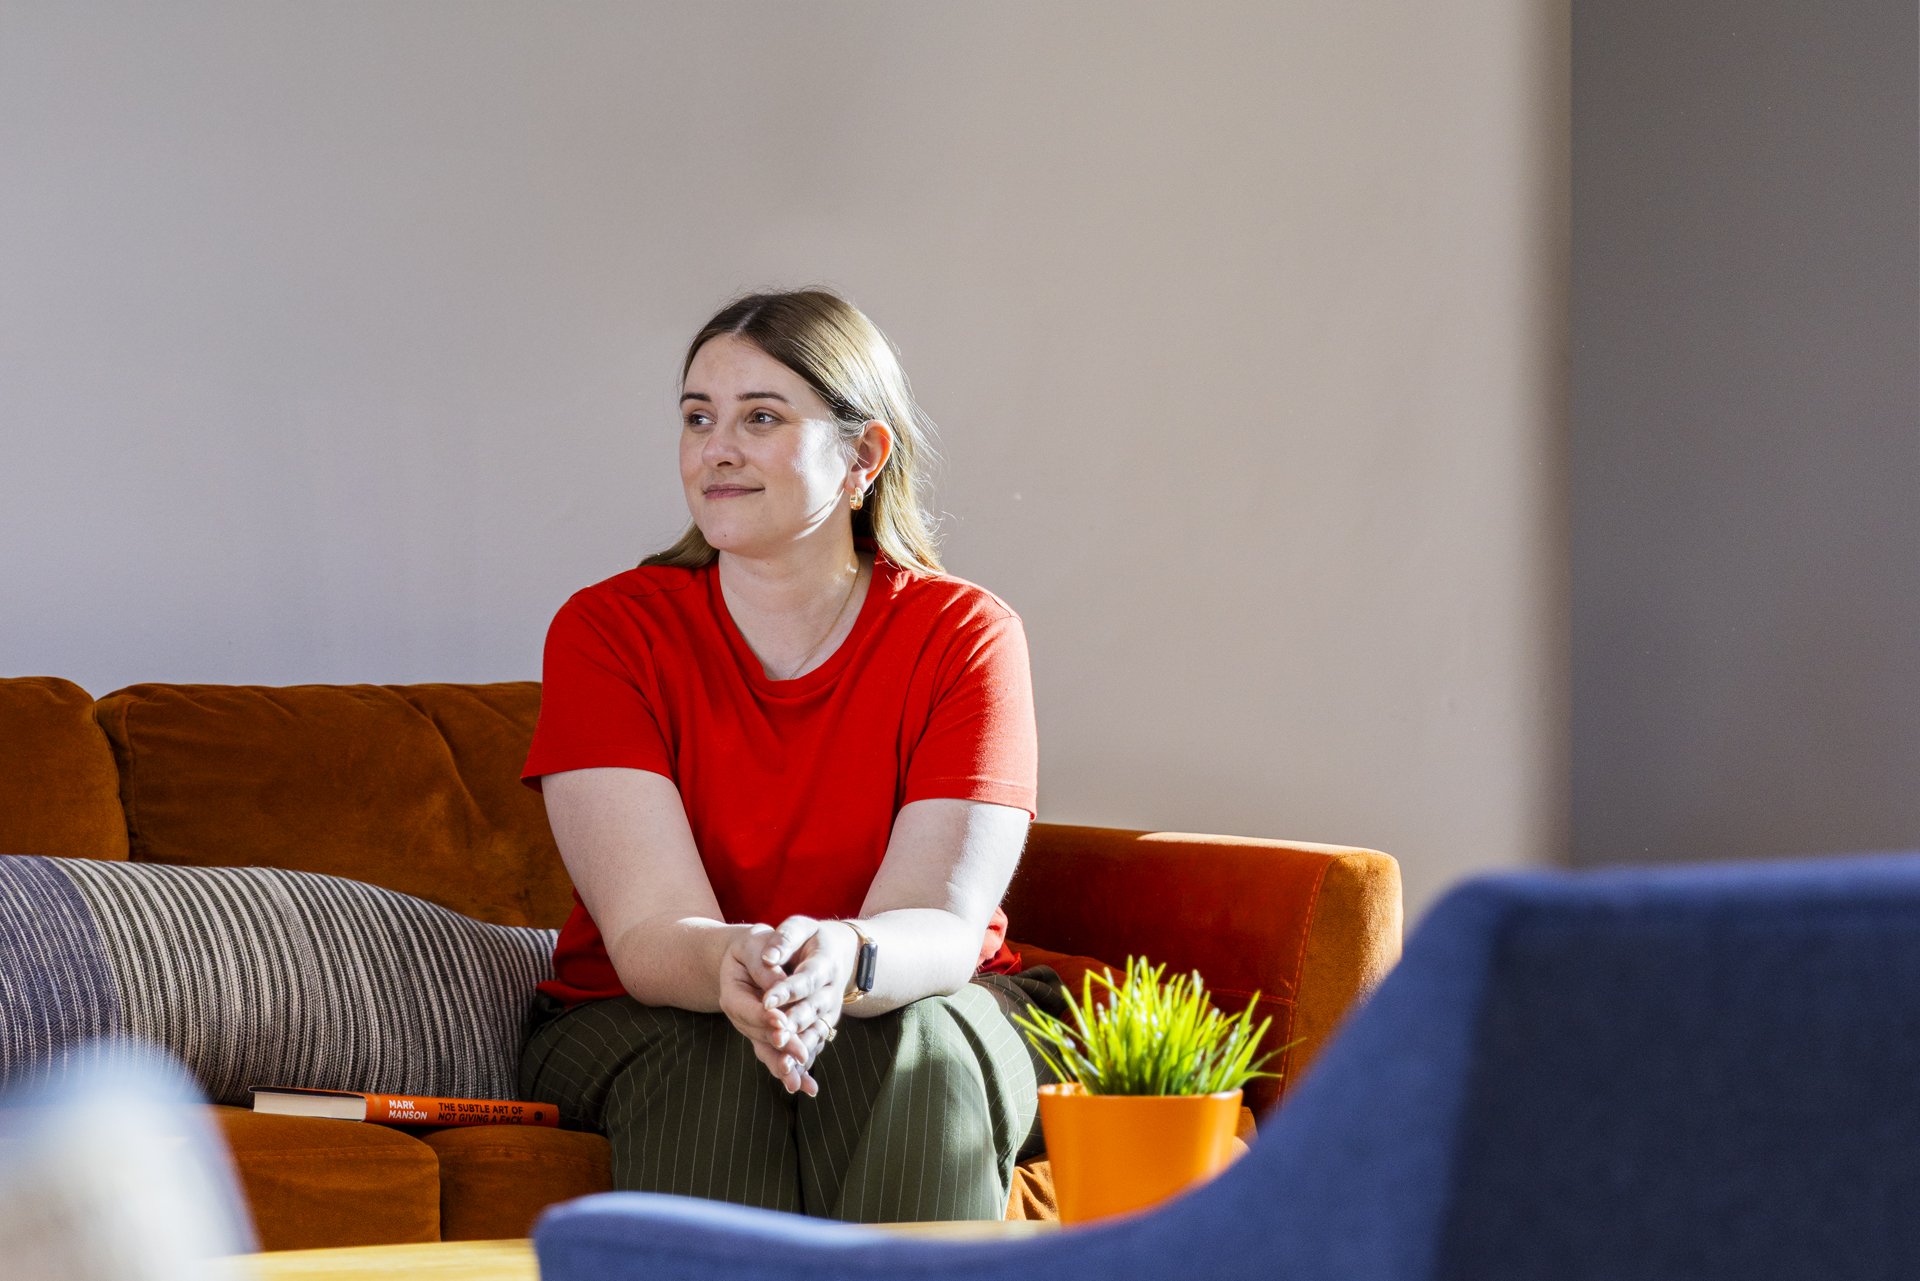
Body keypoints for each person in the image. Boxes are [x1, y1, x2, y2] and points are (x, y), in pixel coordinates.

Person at [515, 288, 1067, 1222]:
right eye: (698, 418)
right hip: (653, 1010)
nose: (716, 449)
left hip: (917, 987)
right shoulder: (607, 631)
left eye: (760, 417)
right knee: (712, 1062)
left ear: (864, 455)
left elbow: (936, 919)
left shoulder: (964, 635)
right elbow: (650, 932)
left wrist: (844, 959)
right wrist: (740, 967)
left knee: (913, 1042)